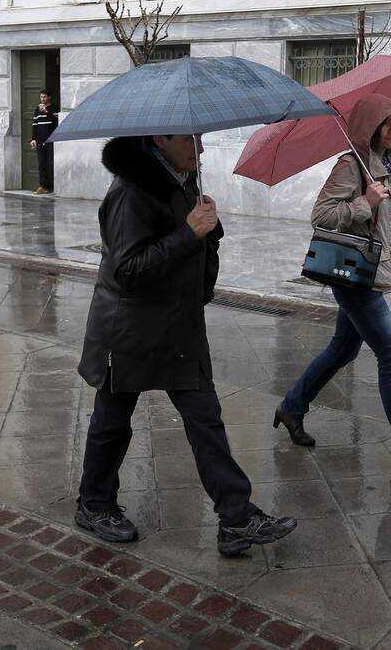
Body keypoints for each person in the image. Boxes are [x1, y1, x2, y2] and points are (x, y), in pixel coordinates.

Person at [75, 132, 296, 557]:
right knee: (112, 421)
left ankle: (236, 518)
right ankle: (94, 503)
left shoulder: (184, 181)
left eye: (201, 137)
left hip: (178, 325)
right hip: (129, 329)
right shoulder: (130, 192)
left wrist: (208, 233)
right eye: (192, 139)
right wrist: (189, 233)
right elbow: (127, 271)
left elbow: (192, 253)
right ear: (162, 138)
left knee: (205, 419)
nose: (201, 147)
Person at [274, 94, 391, 476]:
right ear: (370, 127)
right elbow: (321, 215)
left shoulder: (388, 163)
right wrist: (364, 202)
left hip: (371, 273)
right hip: (354, 277)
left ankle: (292, 407)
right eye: (386, 122)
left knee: (343, 350)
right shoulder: (351, 165)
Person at [29, 90, 58, 194]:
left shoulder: (54, 108)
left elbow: (56, 121)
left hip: (50, 139)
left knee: (50, 163)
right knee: (41, 164)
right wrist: (33, 139)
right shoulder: (37, 109)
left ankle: (51, 186)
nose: (42, 99)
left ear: (49, 97)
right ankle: (43, 186)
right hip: (40, 140)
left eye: (44, 97)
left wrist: (46, 111)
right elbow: (35, 124)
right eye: (41, 97)